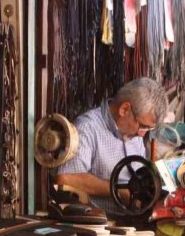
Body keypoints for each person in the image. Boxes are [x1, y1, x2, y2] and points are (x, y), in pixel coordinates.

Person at [56, 78, 168, 217]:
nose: (142, 134)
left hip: (134, 218)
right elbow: (65, 178)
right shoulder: (87, 128)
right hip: (100, 224)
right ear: (124, 109)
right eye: (143, 126)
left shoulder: (135, 133)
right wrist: (117, 190)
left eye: (148, 129)